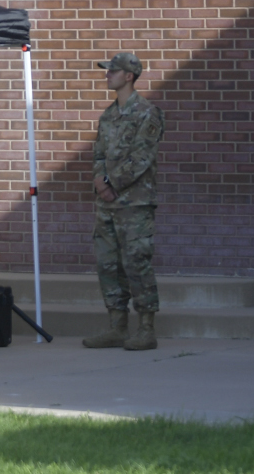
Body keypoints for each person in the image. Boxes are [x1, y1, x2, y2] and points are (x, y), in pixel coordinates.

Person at [82, 52, 165, 352]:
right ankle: (117, 326)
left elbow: (142, 157)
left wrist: (111, 184)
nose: (107, 75)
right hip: (107, 204)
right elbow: (99, 155)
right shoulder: (108, 115)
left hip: (135, 203)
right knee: (108, 263)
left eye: (112, 71)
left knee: (136, 263)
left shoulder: (147, 113)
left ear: (129, 76)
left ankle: (146, 328)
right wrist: (99, 180)